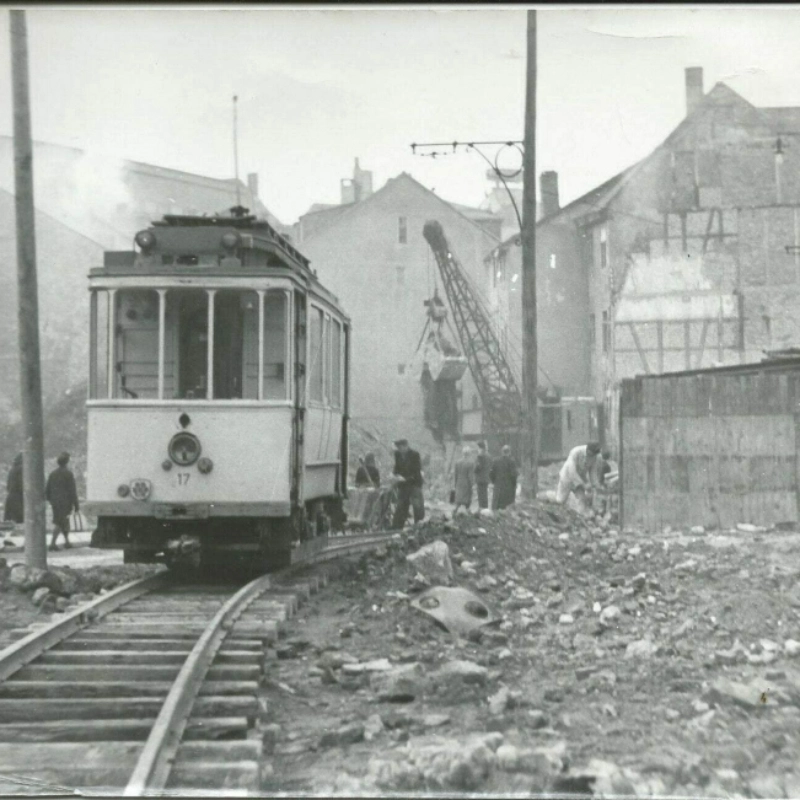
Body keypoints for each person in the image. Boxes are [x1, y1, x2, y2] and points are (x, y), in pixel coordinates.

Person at [45, 452, 80, 551]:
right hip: (65, 502)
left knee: (64, 521)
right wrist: (76, 505)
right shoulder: (68, 473)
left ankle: (67, 541)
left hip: (55, 502)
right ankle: (52, 543)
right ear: (67, 462)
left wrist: (50, 500)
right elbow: (72, 490)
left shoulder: (52, 473)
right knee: (60, 522)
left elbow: (47, 489)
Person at [556, 441, 602, 511]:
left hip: (580, 478)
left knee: (581, 500)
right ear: (588, 450)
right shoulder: (576, 452)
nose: (593, 456)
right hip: (567, 477)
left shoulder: (595, 456)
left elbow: (593, 472)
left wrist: (596, 485)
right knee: (560, 500)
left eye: (594, 454)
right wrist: (584, 484)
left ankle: (580, 517)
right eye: (592, 454)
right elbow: (572, 472)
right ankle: (545, 496)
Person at [391, 438, 425, 529]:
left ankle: (419, 526)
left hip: (414, 483)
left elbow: (416, 471)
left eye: (401, 447)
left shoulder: (415, 455)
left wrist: (405, 479)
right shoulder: (397, 454)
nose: (399, 450)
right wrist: (393, 475)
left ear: (406, 446)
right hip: (403, 484)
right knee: (401, 505)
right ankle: (397, 528)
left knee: (417, 506)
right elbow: (396, 467)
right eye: (398, 448)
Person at [490, 445, 518, 510]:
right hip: (508, 487)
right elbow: (514, 475)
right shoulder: (512, 461)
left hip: (498, 487)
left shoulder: (495, 460)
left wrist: (494, 482)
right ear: (509, 452)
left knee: (496, 505)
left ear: (502, 452)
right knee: (507, 506)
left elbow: (491, 473)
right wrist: (514, 484)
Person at [452, 446, 474, 513]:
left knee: (459, 496)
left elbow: (455, 474)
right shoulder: (471, 463)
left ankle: (456, 508)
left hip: (459, 481)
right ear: (469, 454)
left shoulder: (457, 462)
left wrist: (455, 483)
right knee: (467, 496)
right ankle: (467, 509)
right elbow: (470, 475)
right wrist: (472, 484)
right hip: (466, 483)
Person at [3, 453, 24, 525]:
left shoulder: (12, 469)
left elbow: (8, 486)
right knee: (19, 519)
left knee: (11, 520)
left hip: (11, 496)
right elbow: (21, 484)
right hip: (18, 497)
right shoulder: (21, 469)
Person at [474, 440, 491, 511]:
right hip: (486, 478)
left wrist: (474, 468)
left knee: (481, 495)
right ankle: (485, 509)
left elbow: (477, 468)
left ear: (480, 447)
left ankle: (481, 509)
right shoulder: (489, 455)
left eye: (478, 447)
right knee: (485, 494)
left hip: (480, 478)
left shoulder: (480, 456)